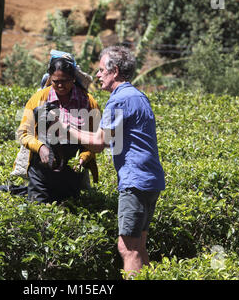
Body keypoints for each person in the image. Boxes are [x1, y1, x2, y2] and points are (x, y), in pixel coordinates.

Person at [56, 46, 165, 278]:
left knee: (127, 249)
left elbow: (99, 142)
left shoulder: (120, 100)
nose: (97, 75)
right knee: (139, 246)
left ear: (114, 71)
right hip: (150, 180)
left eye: (100, 69)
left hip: (135, 182)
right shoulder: (138, 95)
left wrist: (65, 127)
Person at [16, 56, 101, 204]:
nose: (60, 85)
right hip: (41, 173)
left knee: (69, 211)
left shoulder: (88, 102)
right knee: (38, 211)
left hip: (72, 174)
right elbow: (23, 133)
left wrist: (83, 158)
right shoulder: (39, 98)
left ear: (73, 78)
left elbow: (97, 139)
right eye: (56, 81)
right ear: (50, 78)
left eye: (65, 81)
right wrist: (41, 147)